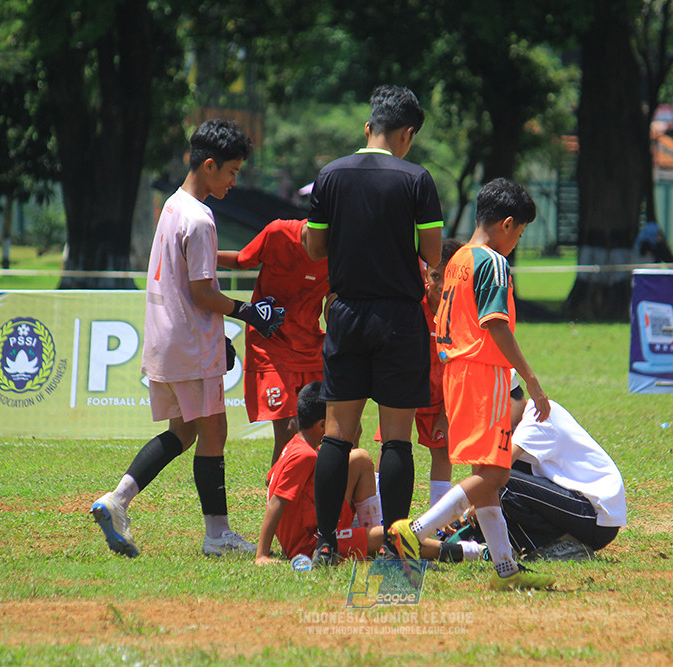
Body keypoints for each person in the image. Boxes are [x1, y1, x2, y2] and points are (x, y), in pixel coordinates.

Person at [90, 119, 285, 558]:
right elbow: (202, 292)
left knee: (183, 430)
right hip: (191, 343)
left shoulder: (174, 207)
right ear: (210, 165)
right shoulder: (200, 219)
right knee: (214, 428)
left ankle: (117, 499)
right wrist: (248, 313)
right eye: (232, 172)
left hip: (167, 339)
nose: (235, 182)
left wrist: (224, 334)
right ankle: (217, 535)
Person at [389, 177, 558, 591]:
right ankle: (416, 530)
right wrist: (533, 383)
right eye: (519, 232)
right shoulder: (492, 261)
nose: (517, 240)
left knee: (486, 475)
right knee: (495, 475)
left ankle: (506, 570)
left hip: (456, 374)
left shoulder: (460, 257)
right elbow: (496, 325)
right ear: (506, 223)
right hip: (485, 374)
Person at [304, 85, 444, 565]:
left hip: (345, 313)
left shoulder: (330, 175)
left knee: (339, 434)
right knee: (397, 436)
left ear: (368, 128)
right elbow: (431, 253)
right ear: (407, 134)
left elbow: (313, 248)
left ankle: (325, 544)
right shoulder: (416, 179)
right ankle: (396, 546)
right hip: (399, 318)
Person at [255, 382, 486, 566]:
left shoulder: (296, 446)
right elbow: (276, 501)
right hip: (310, 543)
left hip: (313, 525)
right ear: (323, 425)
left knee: (360, 458)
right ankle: (473, 552)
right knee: (389, 537)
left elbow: (271, 480)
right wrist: (262, 554)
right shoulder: (305, 456)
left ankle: (364, 534)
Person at [216, 218, 329, 466]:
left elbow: (334, 298)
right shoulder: (278, 232)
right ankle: (278, 497)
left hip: (311, 347)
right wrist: (201, 254)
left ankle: (321, 498)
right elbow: (242, 260)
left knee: (335, 429)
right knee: (290, 428)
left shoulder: (343, 247)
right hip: (270, 342)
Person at [373, 238, 464, 509]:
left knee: (442, 450)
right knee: (390, 444)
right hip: (405, 390)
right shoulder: (412, 303)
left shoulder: (461, 313)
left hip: (439, 396)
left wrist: (446, 413)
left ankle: (439, 519)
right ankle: (378, 510)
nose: (440, 284)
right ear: (426, 273)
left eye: (448, 277)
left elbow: (459, 368)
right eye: (435, 275)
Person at [501, 376, 627, 561]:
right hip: (582, 511)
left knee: (502, 480)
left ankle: (562, 544)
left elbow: (496, 471)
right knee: (503, 479)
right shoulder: (520, 422)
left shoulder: (538, 416)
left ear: (504, 402)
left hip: (595, 517)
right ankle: (546, 544)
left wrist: (468, 505)